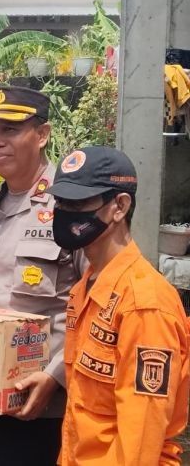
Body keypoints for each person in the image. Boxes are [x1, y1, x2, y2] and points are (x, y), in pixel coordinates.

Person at [0, 86, 84, 466]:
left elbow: (95, 306)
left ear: (42, 134)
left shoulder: (72, 207)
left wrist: (55, 377)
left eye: (9, 130)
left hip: (43, 402)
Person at [47, 146, 190, 465]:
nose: (64, 211)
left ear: (119, 206)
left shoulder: (144, 305)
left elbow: (140, 440)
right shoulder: (86, 289)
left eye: (77, 203)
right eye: (60, 202)